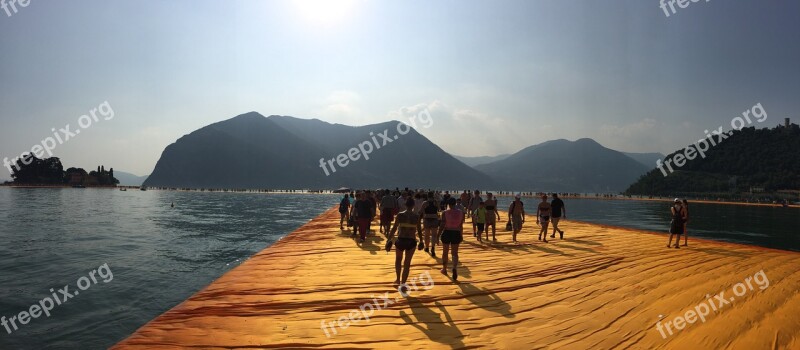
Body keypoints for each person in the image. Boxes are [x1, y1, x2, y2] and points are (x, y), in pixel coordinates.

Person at [387, 198, 425, 295]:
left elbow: (394, 228)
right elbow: (419, 230)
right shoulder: (416, 216)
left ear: (405, 204)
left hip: (401, 240)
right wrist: (421, 241)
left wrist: (389, 239)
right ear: (413, 206)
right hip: (411, 241)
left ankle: (398, 279)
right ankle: (403, 285)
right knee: (407, 263)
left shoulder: (400, 215)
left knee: (398, 260)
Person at [439, 198, 464, 280]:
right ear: (455, 203)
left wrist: (438, 234)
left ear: (448, 204)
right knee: (454, 253)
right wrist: (461, 234)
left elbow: (442, 225)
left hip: (447, 232)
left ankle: (444, 269)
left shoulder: (445, 213)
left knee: (445, 252)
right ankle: (454, 267)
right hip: (456, 232)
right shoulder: (460, 213)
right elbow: (461, 225)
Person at [421, 192, 440, 257]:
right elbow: (439, 209)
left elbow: (421, 211)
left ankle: (426, 247)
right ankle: (433, 247)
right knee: (434, 235)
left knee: (427, 235)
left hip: (427, 219)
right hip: (434, 219)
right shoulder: (436, 202)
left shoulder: (425, 203)